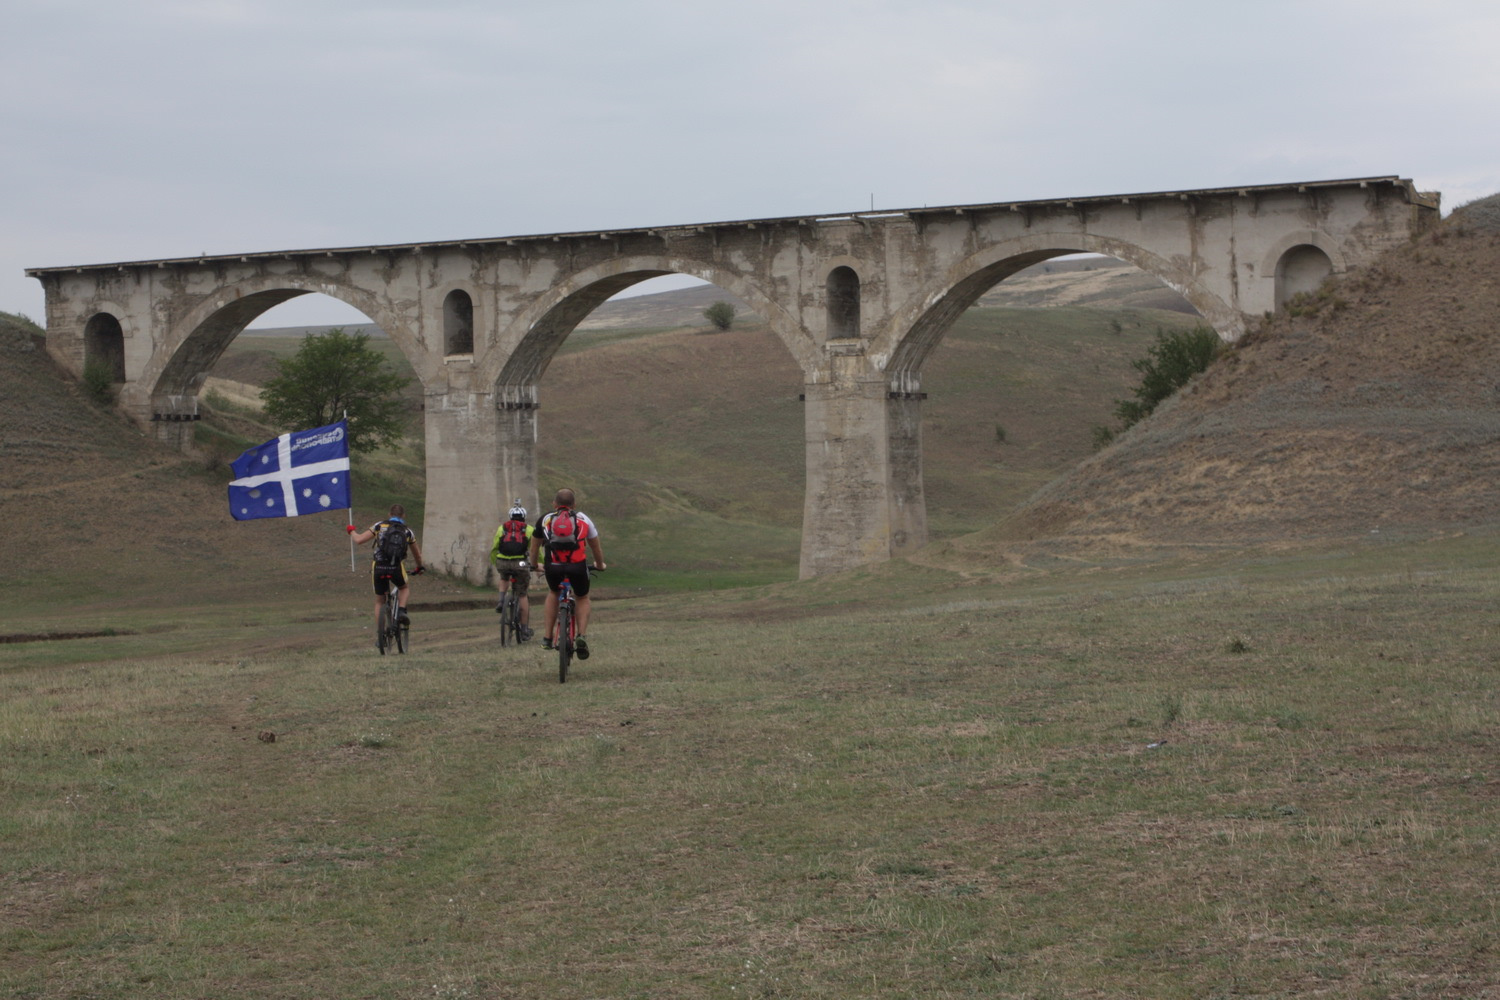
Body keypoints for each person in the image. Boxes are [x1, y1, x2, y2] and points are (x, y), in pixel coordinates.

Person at [528, 488, 606, 658]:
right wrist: (600, 565)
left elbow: (534, 547)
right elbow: (595, 546)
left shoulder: (546, 519)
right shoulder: (584, 519)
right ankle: (581, 635)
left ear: (554, 504)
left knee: (554, 592)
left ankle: (548, 637)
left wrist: (534, 565)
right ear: (574, 504)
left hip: (553, 566)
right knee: (582, 597)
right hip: (577, 566)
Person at [346, 503, 424, 636]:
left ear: (389, 515)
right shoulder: (407, 531)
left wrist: (351, 530)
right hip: (396, 567)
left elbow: (359, 540)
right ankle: (401, 611)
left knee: (379, 601)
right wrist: (419, 567)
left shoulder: (379, 526)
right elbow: (417, 554)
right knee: (404, 588)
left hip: (379, 566)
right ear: (403, 516)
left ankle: (381, 635)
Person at [490, 500, 535, 641]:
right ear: (524, 517)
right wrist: (535, 564)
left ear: (510, 516)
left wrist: (495, 561)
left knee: (504, 578)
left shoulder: (502, 528)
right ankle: (524, 629)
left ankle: (501, 601)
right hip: (520, 563)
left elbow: (495, 546)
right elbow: (535, 550)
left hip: (502, 561)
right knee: (522, 594)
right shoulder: (529, 529)